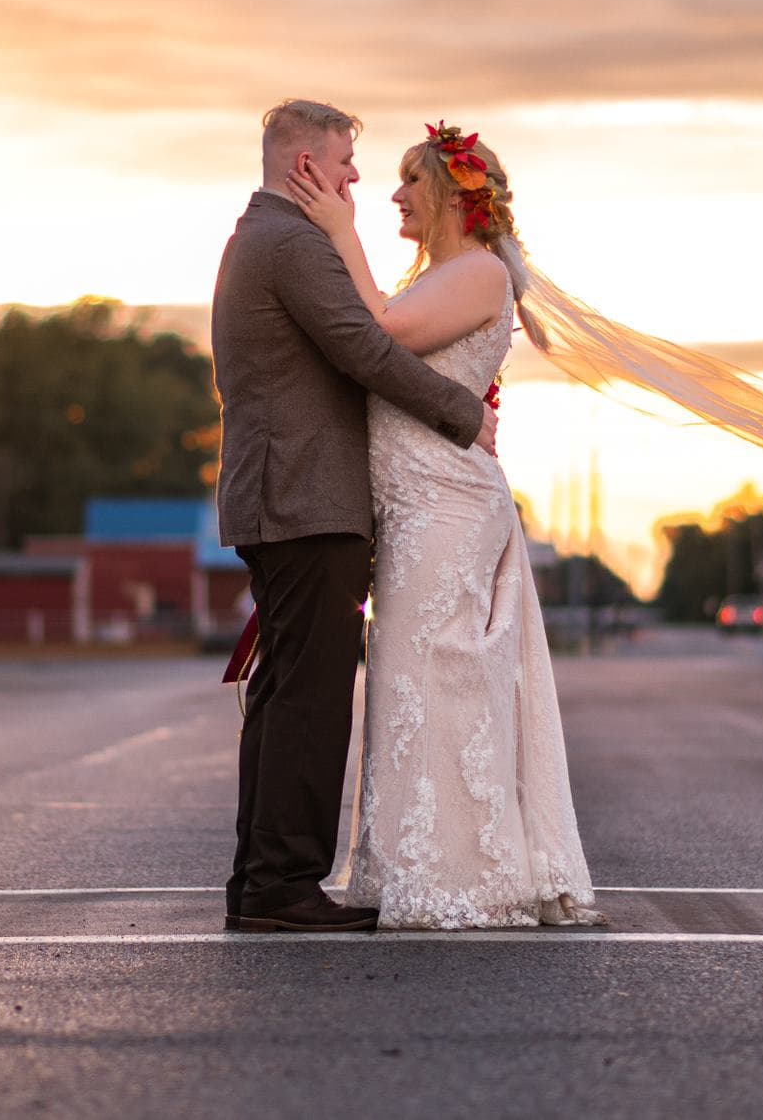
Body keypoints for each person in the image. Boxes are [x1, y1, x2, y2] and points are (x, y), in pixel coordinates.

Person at [286, 121, 605, 930]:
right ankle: (411, 864)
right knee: (405, 676)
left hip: (448, 501)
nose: (391, 195)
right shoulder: (442, 272)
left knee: (437, 673)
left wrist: (339, 231)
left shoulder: (480, 274)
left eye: (408, 181)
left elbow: (384, 332)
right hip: (411, 501)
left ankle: (466, 872)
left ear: (454, 195)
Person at [212, 100, 497, 934]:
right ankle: (281, 886)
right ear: (303, 164)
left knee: (285, 689)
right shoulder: (292, 244)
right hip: (304, 499)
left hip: (289, 496)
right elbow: (365, 349)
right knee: (308, 696)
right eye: (343, 160)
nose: (355, 177)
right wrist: (463, 411)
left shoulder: (262, 236)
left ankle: (262, 879)